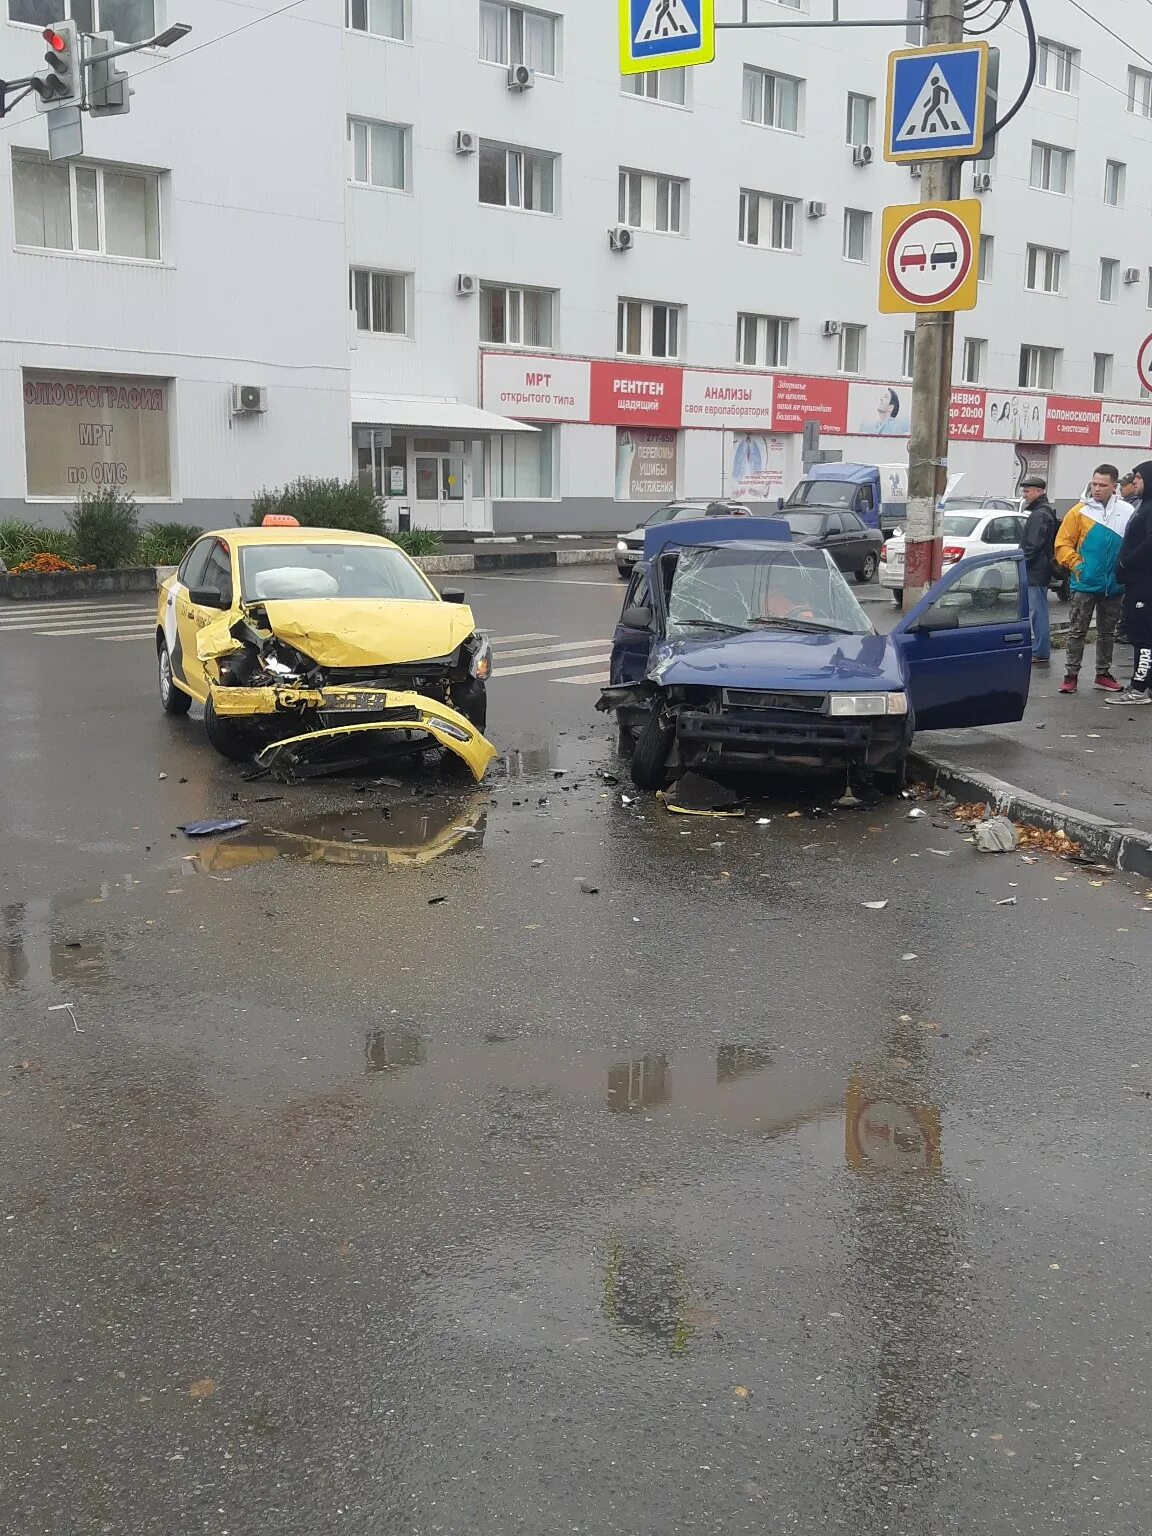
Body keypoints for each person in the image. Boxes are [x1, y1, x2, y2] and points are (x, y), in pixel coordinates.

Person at [1054, 463, 1133, 694]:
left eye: (1102, 485)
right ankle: (1071, 675)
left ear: (1114, 486)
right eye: (1094, 484)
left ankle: (1102, 673)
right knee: (1077, 631)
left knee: (1107, 633)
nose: (1097, 488)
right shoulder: (1079, 511)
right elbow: (1062, 543)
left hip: (1114, 584)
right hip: (1085, 583)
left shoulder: (1127, 511)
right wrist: (1078, 566)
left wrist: (1125, 569)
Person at [1107, 461, 1152, 706]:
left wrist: (1127, 563)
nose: (1134, 481)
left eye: (1138, 478)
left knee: (1142, 636)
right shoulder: (1143, 506)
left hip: (1144, 582)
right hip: (1137, 581)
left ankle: (1138, 688)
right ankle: (1146, 684)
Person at [1019, 474, 1057, 666]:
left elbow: (1033, 545)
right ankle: (1039, 649)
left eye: (1027, 491)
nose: (1024, 495)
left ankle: (1040, 650)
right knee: (1037, 611)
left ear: (1038, 492)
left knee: (1038, 613)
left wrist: (1021, 563)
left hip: (1036, 570)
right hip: (1038, 569)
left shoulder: (1040, 514)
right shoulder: (1043, 511)